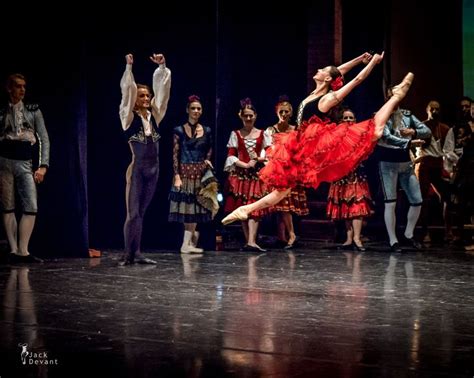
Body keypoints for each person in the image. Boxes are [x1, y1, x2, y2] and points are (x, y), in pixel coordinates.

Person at [222, 52, 414, 225]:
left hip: (315, 146)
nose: (318, 69)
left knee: (375, 130)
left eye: (322, 70)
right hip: (297, 145)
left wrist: (372, 63)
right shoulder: (316, 92)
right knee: (281, 191)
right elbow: (338, 72)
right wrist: (358, 60)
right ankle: (246, 210)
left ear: (327, 78)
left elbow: (356, 80)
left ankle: (396, 96)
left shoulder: (327, 99)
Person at [119, 53, 171, 265]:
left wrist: (162, 67)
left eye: (147, 95)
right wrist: (129, 68)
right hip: (138, 170)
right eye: (141, 96)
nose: (146, 98)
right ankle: (127, 254)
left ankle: (137, 252)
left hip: (154, 170)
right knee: (132, 214)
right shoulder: (128, 118)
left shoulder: (155, 116)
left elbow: (163, 93)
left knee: (141, 213)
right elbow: (127, 93)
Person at [0, 73, 49, 263]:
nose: (22, 90)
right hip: (4, 159)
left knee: (31, 205)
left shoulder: (33, 111)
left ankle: (23, 250)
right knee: (7, 205)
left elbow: (44, 139)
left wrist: (43, 166)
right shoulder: (2, 111)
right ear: (9, 88)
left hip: (24, 160)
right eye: (18, 86)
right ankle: (13, 250)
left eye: (24, 86)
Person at [377, 87, 431, 252]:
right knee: (390, 202)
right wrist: (408, 143)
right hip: (388, 163)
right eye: (392, 94)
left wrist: (413, 131)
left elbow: (426, 131)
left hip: (406, 163)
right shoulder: (381, 114)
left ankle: (408, 234)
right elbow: (385, 136)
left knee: (417, 200)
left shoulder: (407, 115)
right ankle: (393, 240)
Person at [223, 98, 272, 252]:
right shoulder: (236, 134)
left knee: (254, 207)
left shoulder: (263, 134)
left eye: (251, 115)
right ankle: (249, 241)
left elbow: (271, 152)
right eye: (246, 116)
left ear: (255, 116)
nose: (249, 118)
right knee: (243, 207)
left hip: (256, 176)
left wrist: (260, 159)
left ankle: (252, 240)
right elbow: (231, 155)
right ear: (241, 116)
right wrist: (245, 164)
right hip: (241, 176)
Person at [169, 95, 216, 253]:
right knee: (188, 208)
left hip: (200, 172)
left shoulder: (207, 130)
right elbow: (175, 154)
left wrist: (207, 160)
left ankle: (189, 244)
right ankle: (186, 244)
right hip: (185, 172)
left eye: (199, 108)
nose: (196, 111)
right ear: (187, 110)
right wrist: (176, 176)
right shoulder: (179, 130)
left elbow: (210, 148)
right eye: (193, 108)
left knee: (197, 208)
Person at [265, 96, 309, 249]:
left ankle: (289, 235)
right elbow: (267, 149)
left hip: (291, 170)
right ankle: (284, 236)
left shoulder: (295, 130)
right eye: (281, 111)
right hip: (276, 170)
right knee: (280, 205)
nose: (284, 114)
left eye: (287, 112)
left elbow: (301, 149)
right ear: (277, 112)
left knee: (286, 205)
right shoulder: (271, 130)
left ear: (291, 113)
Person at [326, 109, 373, 251]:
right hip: (341, 176)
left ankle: (357, 238)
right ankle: (348, 238)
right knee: (345, 206)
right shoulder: (337, 136)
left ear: (355, 120)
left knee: (357, 206)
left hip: (356, 175)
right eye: (345, 118)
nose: (348, 120)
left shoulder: (360, 134)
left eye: (351, 118)